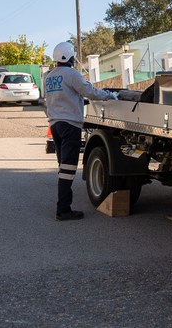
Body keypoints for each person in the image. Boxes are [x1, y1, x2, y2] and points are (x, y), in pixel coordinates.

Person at [44, 41, 117, 221]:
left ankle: (63, 207)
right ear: (70, 57)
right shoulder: (71, 74)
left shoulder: (49, 76)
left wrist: (78, 101)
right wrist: (110, 95)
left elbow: (62, 97)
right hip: (70, 125)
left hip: (55, 124)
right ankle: (63, 210)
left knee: (63, 167)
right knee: (68, 168)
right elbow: (89, 91)